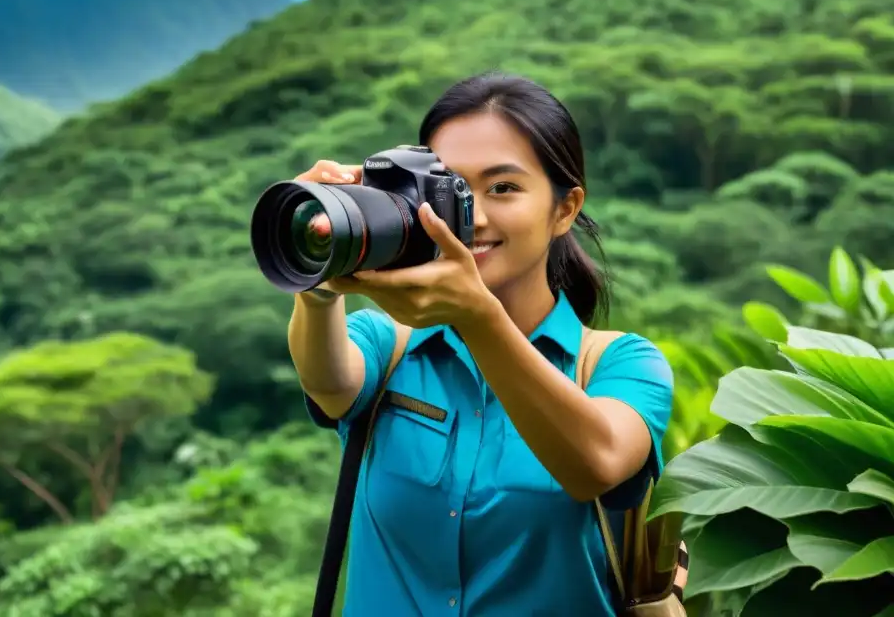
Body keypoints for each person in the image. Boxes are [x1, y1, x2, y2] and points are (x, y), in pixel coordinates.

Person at [287, 73, 675, 616]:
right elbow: (327, 381)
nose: (474, 219)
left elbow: (595, 463)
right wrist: (320, 274)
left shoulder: (622, 364)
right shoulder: (388, 346)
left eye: (503, 188)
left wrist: (478, 317)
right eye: (452, 191)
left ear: (564, 209)